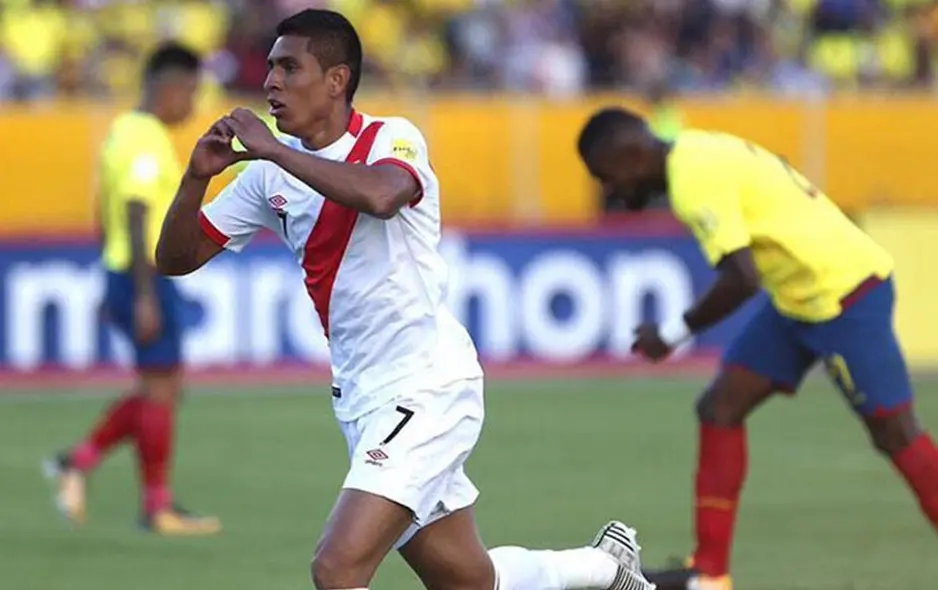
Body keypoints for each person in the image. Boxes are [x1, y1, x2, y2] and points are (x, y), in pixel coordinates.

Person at [155, 9, 656, 590]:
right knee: (469, 581)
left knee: (337, 568)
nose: (270, 81)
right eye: (270, 67)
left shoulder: (391, 138)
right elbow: (175, 258)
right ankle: (604, 567)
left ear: (337, 80)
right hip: (363, 398)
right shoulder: (268, 178)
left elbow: (383, 194)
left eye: (289, 68)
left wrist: (274, 151)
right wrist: (196, 179)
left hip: (427, 386)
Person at [576, 107, 938, 590]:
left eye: (606, 176)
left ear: (629, 155)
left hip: (844, 295)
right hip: (797, 299)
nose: (610, 190)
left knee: (896, 432)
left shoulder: (693, 178)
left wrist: (670, 334)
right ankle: (710, 574)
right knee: (719, 407)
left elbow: (741, 279)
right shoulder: (697, 150)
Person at [44, 43, 221, 536]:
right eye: (191, 93)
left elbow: (105, 211)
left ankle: (81, 464)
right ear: (171, 88)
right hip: (145, 274)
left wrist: (110, 273)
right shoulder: (144, 138)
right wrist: (143, 295)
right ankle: (154, 505)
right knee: (162, 390)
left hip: (124, 270)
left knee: (160, 389)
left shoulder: (120, 133)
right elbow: (138, 211)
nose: (191, 106)